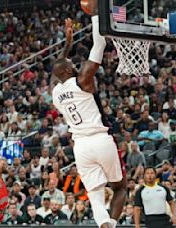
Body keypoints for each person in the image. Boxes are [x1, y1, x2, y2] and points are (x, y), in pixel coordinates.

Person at [51, 9, 126, 228]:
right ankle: (112, 221)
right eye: (72, 64)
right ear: (69, 69)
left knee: (94, 191)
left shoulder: (55, 93)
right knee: (120, 186)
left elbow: (58, 67)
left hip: (81, 146)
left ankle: (103, 222)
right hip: (100, 139)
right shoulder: (82, 80)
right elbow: (99, 46)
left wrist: (67, 43)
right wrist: (96, 15)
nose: (75, 64)